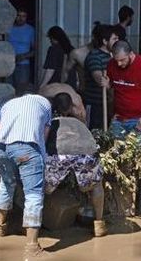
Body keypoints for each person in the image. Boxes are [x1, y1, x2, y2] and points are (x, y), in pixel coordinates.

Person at [0, 94, 52, 256]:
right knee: (33, 195)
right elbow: (43, 137)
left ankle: (0, 229)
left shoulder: (5, 105)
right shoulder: (45, 104)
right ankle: (32, 247)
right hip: (28, 148)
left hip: (2, 149)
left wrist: (2, 156)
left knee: (6, 185)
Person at [45, 93, 107, 237]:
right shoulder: (79, 123)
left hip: (60, 153)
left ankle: (37, 223)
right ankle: (99, 224)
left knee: (43, 189)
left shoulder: (51, 123)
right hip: (87, 152)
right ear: (71, 107)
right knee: (96, 185)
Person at [102, 40, 141, 141]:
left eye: (122, 60)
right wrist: (107, 85)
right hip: (118, 118)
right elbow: (112, 86)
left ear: (131, 54)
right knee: (116, 154)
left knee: (138, 154)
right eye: (116, 60)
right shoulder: (111, 64)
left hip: (139, 119)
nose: (119, 64)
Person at [83, 24, 119, 129]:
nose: (117, 41)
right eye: (114, 39)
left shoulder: (115, 57)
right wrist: (105, 82)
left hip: (110, 104)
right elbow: (99, 79)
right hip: (95, 104)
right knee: (94, 134)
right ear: (105, 41)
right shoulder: (94, 56)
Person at [62, 22, 103, 94]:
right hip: (85, 93)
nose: (101, 43)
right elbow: (65, 73)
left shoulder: (110, 53)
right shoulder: (77, 53)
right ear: (94, 37)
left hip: (105, 95)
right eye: (99, 40)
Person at [7, 8, 35, 91]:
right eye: (18, 15)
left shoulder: (31, 30)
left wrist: (24, 56)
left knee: (21, 89)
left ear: (26, 18)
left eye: (23, 16)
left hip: (23, 64)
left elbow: (36, 50)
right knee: (8, 88)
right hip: (8, 63)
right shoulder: (8, 28)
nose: (21, 18)